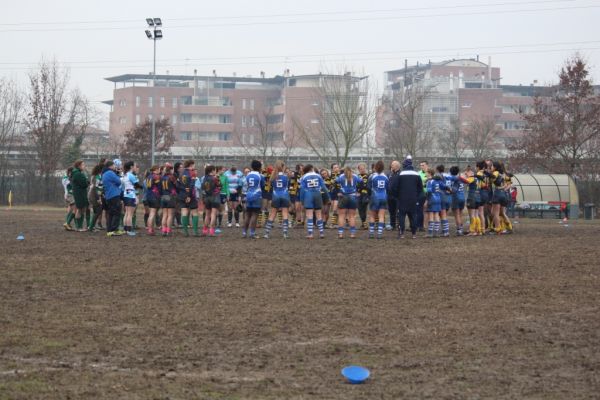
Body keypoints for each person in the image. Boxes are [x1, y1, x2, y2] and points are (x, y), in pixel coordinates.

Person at [390, 156, 423, 239]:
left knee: (401, 216)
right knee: (413, 216)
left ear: (404, 165)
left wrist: (396, 196)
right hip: (413, 199)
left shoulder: (400, 174)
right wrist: (417, 197)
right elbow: (420, 188)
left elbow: (393, 187)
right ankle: (414, 234)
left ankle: (402, 234)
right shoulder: (417, 174)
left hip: (402, 199)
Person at [300, 164, 329, 239]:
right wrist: (328, 197)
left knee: (309, 215)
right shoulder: (318, 176)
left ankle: (310, 234)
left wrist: (302, 200)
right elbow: (323, 187)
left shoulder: (303, 177)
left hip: (308, 195)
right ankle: (321, 233)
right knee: (319, 215)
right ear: (312, 168)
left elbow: (302, 190)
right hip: (317, 194)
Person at [263, 160, 291, 239]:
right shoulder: (286, 175)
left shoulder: (273, 176)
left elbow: (271, 183)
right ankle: (285, 234)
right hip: (285, 196)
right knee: (285, 214)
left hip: (275, 196)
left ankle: (266, 233)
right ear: (283, 167)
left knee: (272, 214)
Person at [335, 166, 361, 239]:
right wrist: (358, 192)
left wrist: (338, 192)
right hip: (353, 197)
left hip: (343, 197)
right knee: (352, 216)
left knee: (341, 216)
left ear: (343, 171)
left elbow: (335, 183)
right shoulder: (355, 176)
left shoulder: (341, 176)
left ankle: (340, 234)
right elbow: (362, 183)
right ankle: (352, 234)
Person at [243, 160, 265, 239]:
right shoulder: (261, 176)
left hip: (248, 195)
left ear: (252, 167)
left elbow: (247, 185)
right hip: (257, 196)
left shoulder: (248, 175)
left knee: (247, 214)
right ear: (259, 167)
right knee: (254, 215)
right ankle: (252, 233)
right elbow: (263, 186)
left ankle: (244, 232)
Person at [178, 160, 200, 237]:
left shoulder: (181, 173)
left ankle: (185, 232)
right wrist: (189, 196)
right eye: (193, 165)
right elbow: (191, 185)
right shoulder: (192, 173)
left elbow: (178, 185)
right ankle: (195, 232)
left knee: (184, 212)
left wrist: (183, 194)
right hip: (191, 195)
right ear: (191, 165)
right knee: (194, 212)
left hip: (182, 194)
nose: (194, 167)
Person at [368, 160, 389, 239]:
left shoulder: (372, 176)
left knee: (372, 215)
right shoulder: (386, 177)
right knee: (381, 216)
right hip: (383, 197)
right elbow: (388, 188)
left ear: (375, 167)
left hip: (374, 197)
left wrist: (370, 196)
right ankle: (380, 234)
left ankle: (371, 233)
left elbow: (368, 188)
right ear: (383, 168)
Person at [101, 161, 123, 237]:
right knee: (117, 212)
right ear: (110, 166)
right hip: (114, 195)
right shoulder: (110, 173)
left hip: (108, 196)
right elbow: (119, 182)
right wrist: (118, 175)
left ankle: (109, 230)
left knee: (110, 213)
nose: (115, 166)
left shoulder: (104, 174)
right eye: (114, 165)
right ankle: (114, 229)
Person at [425, 168, 447, 238]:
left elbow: (429, 191)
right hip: (438, 199)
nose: (426, 173)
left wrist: (427, 200)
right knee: (436, 215)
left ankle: (430, 233)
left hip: (432, 199)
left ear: (429, 173)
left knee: (431, 215)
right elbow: (444, 186)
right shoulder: (437, 181)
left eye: (426, 172)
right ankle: (436, 233)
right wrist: (449, 190)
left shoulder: (429, 181)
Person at [201, 165, 222, 237]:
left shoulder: (204, 178)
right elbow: (220, 186)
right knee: (213, 214)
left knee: (207, 215)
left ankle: (204, 230)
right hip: (214, 197)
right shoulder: (215, 178)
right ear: (212, 170)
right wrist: (218, 178)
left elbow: (202, 188)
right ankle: (211, 231)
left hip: (207, 197)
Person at [448, 166, 469, 236]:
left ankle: (459, 230)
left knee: (456, 214)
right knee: (460, 214)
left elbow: (453, 190)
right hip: (462, 197)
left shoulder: (452, 179)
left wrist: (448, 191)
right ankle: (461, 229)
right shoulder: (460, 178)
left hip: (455, 197)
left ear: (451, 172)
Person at [122, 161, 140, 236]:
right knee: (130, 214)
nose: (135, 167)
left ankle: (126, 229)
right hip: (131, 195)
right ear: (131, 167)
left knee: (126, 213)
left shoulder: (125, 175)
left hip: (125, 195)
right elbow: (137, 185)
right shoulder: (131, 175)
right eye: (135, 166)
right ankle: (129, 230)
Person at [71, 160, 90, 232]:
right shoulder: (78, 174)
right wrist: (87, 182)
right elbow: (84, 184)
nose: (84, 166)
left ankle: (79, 226)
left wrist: (86, 181)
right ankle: (78, 227)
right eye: (83, 165)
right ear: (79, 166)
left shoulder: (78, 173)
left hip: (80, 193)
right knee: (79, 209)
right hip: (79, 194)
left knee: (82, 209)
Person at [160, 163, 177, 236]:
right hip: (170, 196)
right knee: (170, 215)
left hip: (164, 196)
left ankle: (163, 230)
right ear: (170, 170)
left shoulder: (162, 177)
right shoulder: (171, 177)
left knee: (164, 214)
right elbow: (176, 185)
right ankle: (168, 230)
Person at [144, 165, 162, 235]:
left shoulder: (148, 176)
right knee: (152, 214)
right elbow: (159, 186)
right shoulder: (156, 176)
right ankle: (151, 230)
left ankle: (150, 229)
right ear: (156, 170)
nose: (160, 170)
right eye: (159, 169)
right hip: (154, 196)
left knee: (151, 213)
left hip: (148, 196)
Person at [87, 163, 104, 232]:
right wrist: (98, 198)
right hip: (94, 195)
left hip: (93, 195)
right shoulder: (97, 177)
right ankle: (91, 227)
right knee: (98, 210)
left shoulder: (97, 176)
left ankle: (91, 226)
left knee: (96, 211)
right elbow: (95, 188)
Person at [386, 160, 401, 231]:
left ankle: (399, 225)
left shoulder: (401, 174)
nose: (391, 166)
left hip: (397, 196)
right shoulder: (390, 174)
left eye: (393, 165)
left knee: (398, 211)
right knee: (391, 211)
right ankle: (392, 225)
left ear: (397, 166)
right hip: (390, 196)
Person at [356, 163, 370, 229]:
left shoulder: (368, 176)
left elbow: (365, 185)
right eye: (360, 169)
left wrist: (360, 188)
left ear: (365, 169)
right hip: (358, 195)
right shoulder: (357, 176)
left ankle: (364, 223)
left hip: (365, 194)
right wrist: (357, 191)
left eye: (363, 168)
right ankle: (363, 222)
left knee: (364, 209)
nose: (362, 170)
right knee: (359, 209)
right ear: (358, 169)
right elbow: (356, 185)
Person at [416, 161, 429, 231]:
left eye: (423, 165)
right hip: (421, 194)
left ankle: (425, 225)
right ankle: (420, 225)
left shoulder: (430, 173)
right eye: (420, 165)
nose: (421, 166)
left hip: (429, 194)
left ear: (427, 165)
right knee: (420, 209)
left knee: (427, 210)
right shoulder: (418, 173)